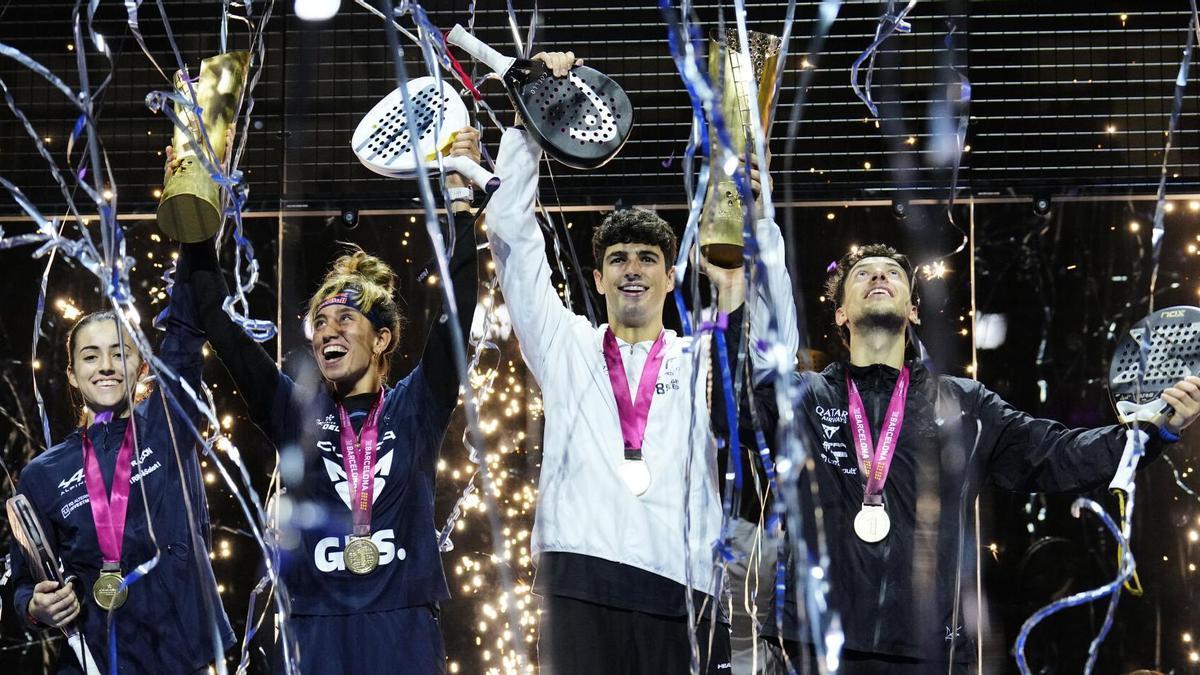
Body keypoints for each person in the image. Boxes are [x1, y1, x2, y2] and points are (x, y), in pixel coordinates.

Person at [737, 244, 1200, 673]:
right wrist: (733, 290)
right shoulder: (803, 397)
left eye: (893, 273)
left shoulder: (963, 403)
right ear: (841, 313)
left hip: (929, 651)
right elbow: (731, 412)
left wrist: (1152, 432)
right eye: (863, 273)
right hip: (816, 646)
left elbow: (1058, 454)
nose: (879, 275)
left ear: (914, 310)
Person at [483, 51, 797, 674]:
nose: (633, 268)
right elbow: (514, 242)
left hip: (679, 585)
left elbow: (775, 333)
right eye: (620, 258)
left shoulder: (702, 355)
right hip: (576, 576)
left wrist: (760, 228)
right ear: (598, 277)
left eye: (647, 258)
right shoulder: (566, 346)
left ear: (668, 273)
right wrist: (529, 125)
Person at [168, 128, 481, 674]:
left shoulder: (418, 405)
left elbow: (457, 309)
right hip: (314, 629)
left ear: (382, 338)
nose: (326, 331)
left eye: (346, 318)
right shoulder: (298, 412)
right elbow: (220, 323)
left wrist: (459, 202)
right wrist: (194, 215)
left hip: (401, 626)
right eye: (320, 322)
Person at [8, 279, 234, 671]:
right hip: (96, 660)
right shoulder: (43, 474)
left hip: (182, 655)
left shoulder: (169, 423)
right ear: (73, 375)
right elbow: (21, 582)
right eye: (91, 356)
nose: (107, 366)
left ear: (142, 366)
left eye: (120, 353)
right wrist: (34, 606)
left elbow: (183, 336)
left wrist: (192, 238)